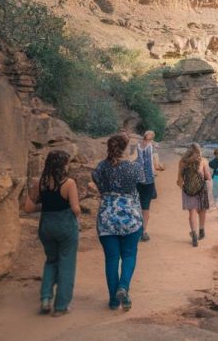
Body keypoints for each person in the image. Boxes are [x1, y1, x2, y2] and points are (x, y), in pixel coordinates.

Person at [24, 150, 80, 317]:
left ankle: (46, 299)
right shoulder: (69, 183)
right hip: (65, 227)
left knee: (51, 261)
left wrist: (45, 207)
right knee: (67, 265)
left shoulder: (40, 182)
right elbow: (75, 208)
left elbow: (28, 208)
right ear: (63, 165)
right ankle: (61, 306)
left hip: (46, 226)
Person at [92, 134, 144, 311]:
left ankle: (114, 301)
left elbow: (99, 185)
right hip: (130, 216)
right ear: (126, 148)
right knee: (129, 255)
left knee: (112, 259)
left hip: (107, 217)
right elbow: (141, 183)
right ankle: (124, 288)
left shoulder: (101, 168)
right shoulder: (134, 167)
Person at [177, 143, 212, 247]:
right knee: (202, 210)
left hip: (188, 190)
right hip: (201, 189)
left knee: (192, 212)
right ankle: (201, 230)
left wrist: (183, 186)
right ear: (199, 151)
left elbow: (180, 180)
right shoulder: (203, 161)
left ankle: (194, 234)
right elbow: (208, 177)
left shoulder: (182, 162)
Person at [131, 130, 163, 242]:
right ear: (152, 137)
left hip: (138, 179)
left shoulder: (137, 146)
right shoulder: (152, 146)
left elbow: (133, 159)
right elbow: (156, 164)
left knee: (136, 204)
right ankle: (143, 232)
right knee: (146, 207)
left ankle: (135, 229)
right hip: (149, 180)